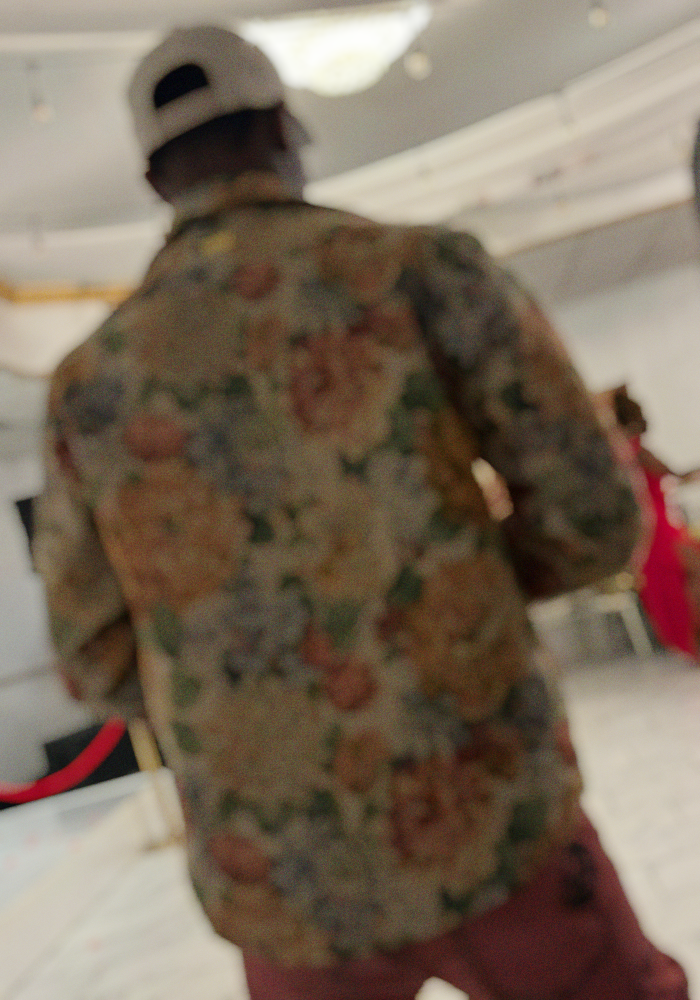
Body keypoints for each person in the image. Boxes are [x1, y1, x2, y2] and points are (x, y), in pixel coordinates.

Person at [33, 26, 689, 1000]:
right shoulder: (423, 272)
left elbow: (91, 654)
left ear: (153, 181)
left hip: (282, 877)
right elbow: (593, 513)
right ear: (286, 130)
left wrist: (242, 691)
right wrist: (457, 599)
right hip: (488, 809)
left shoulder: (89, 384)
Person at [607, 384, 700, 662]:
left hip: (650, 533)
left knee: (681, 589)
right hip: (661, 531)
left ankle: (692, 644)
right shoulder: (638, 451)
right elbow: (678, 475)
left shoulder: (622, 454)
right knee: (690, 583)